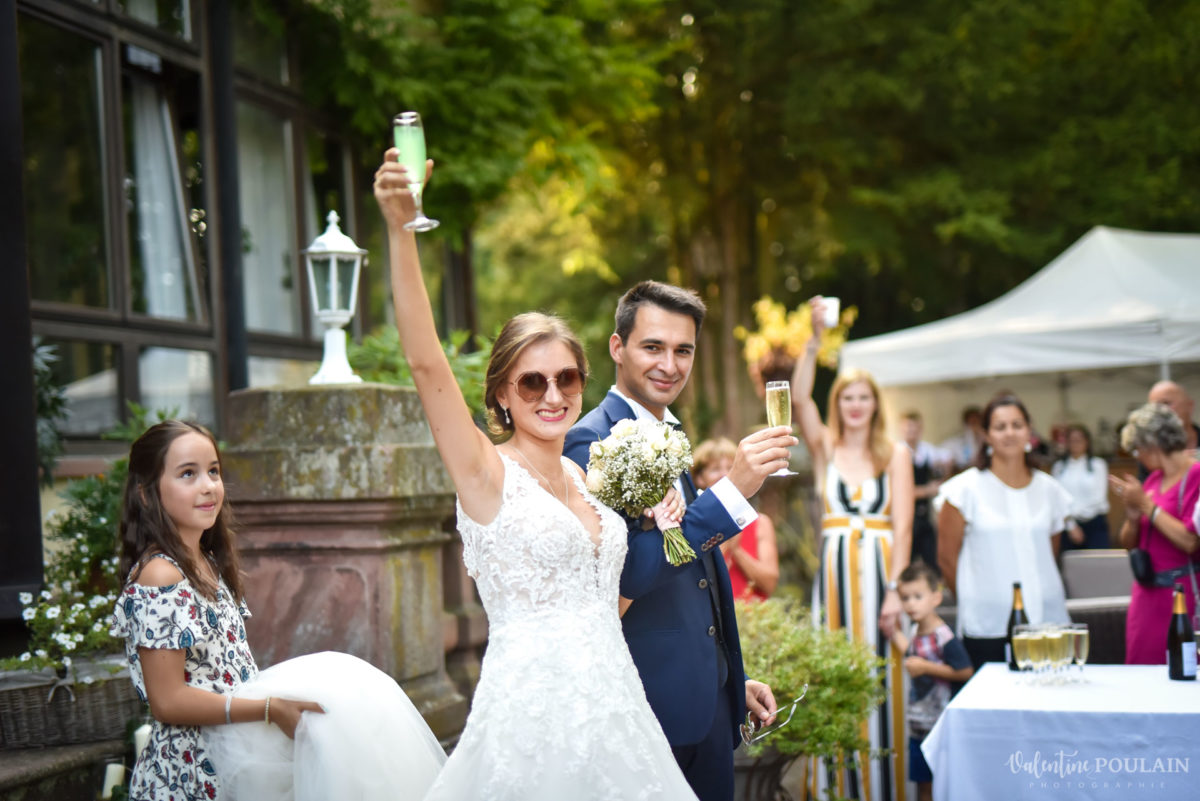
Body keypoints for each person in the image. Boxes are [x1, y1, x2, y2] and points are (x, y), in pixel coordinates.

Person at [376, 154, 703, 800]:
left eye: (566, 378)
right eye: (532, 380)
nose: (552, 394)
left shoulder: (590, 479)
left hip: (619, 719)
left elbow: (603, 604)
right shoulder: (485, 473)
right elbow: (424, 361)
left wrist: (668, 525)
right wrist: (400, 230)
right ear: (501, 392)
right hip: (531, 727)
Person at [564, 281, 792, 801]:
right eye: (653, 347)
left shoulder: (670, 433)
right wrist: (732, 491)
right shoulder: (590, 442)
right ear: (617, 348)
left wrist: (730, 674)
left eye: (683, 350)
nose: (670, 364)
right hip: (649, 709)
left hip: (708, 705)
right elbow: (628, 576)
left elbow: (694, 580)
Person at [109, 421, 324, 800]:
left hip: (234, 755)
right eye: (187, 474)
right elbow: (169, 700)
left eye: (213, 471)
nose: (208, 485)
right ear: (146, 494)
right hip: (191, 773)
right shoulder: (161, 575)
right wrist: (269, 709)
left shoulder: (204, 562)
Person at [791, 296, 914, 801]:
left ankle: (885, 786)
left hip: (882, 579)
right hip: (836, 581)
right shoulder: (824, 449)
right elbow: (799, 399)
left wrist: (894, 592)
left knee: (883, 679)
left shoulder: (895, 454)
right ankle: (837, 788)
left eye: (863, 397)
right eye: (847, 398)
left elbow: (903, 528)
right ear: (839, 404)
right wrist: (814, 341)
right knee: (838, 676)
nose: (855, 406)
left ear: (875, 404)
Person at [935, 395, 1073, 670]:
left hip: (1047, 618)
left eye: (1016, 424)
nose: (1009, 433)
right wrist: (977, 598)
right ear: (986, 435)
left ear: (1029, 431)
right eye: (1000, 427)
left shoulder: (1050, 489)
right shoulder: (963, 491)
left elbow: (1050, 552)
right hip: (988, 622)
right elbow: (947, 559)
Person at [1109, 403, 1200, 665]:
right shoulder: (1152, 481)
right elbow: (1129, 544)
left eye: (1137, 449)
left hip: (1180, 598)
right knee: (1140, 669)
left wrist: (1147, 505)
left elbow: (1189, 541)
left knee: (1181, 670)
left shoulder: (1194, 476)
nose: (1138, 457)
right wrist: (1133, 517)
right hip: (1145, 595)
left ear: (1152, 445)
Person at [888, 562, 973, 801]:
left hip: (941, 727)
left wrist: (926, 667)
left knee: (944, 783)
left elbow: (965, 671)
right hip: (918, 727)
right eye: (905, 598)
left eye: (918, 596)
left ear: (936, 598)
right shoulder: (916, 631)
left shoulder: (943, 636)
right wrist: (895, 634)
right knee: (923, 786)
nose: (910, 604)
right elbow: (913, 654)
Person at [693, 437, 780, 602]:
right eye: (715, 469)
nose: (725, 475)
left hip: (753, 619)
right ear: (700, 478)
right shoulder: (693, 524)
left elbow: (770, 584)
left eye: (731, 467)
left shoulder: (759, 522)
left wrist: (737, 551)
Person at [1051, 424, 1110, 551]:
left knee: (1097, 565)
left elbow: (1099, 498)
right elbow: (1057, 499)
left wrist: (1076, 514)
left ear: (1087, 442)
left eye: (1079, 440)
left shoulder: (1098, 465)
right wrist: (1071, 524)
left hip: (1094, 522)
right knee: (1071, 566)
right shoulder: (1059, 467)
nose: (1075, 444)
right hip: (1068, 526)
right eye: (1072, 441)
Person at [901, 410, 945, 569]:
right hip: (907, 518)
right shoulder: (898, 453)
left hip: (925, 516)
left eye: (914, 428)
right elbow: (900, 493)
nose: (911, 432)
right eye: (908, 428)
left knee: (933, 563)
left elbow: (944, 462)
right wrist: (927, 490)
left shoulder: (927, 451)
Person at [939, 406, 984, 473]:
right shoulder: (957, 442)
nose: (975, 427)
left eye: (977, 422)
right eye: (972, 423)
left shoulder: (987, 440)